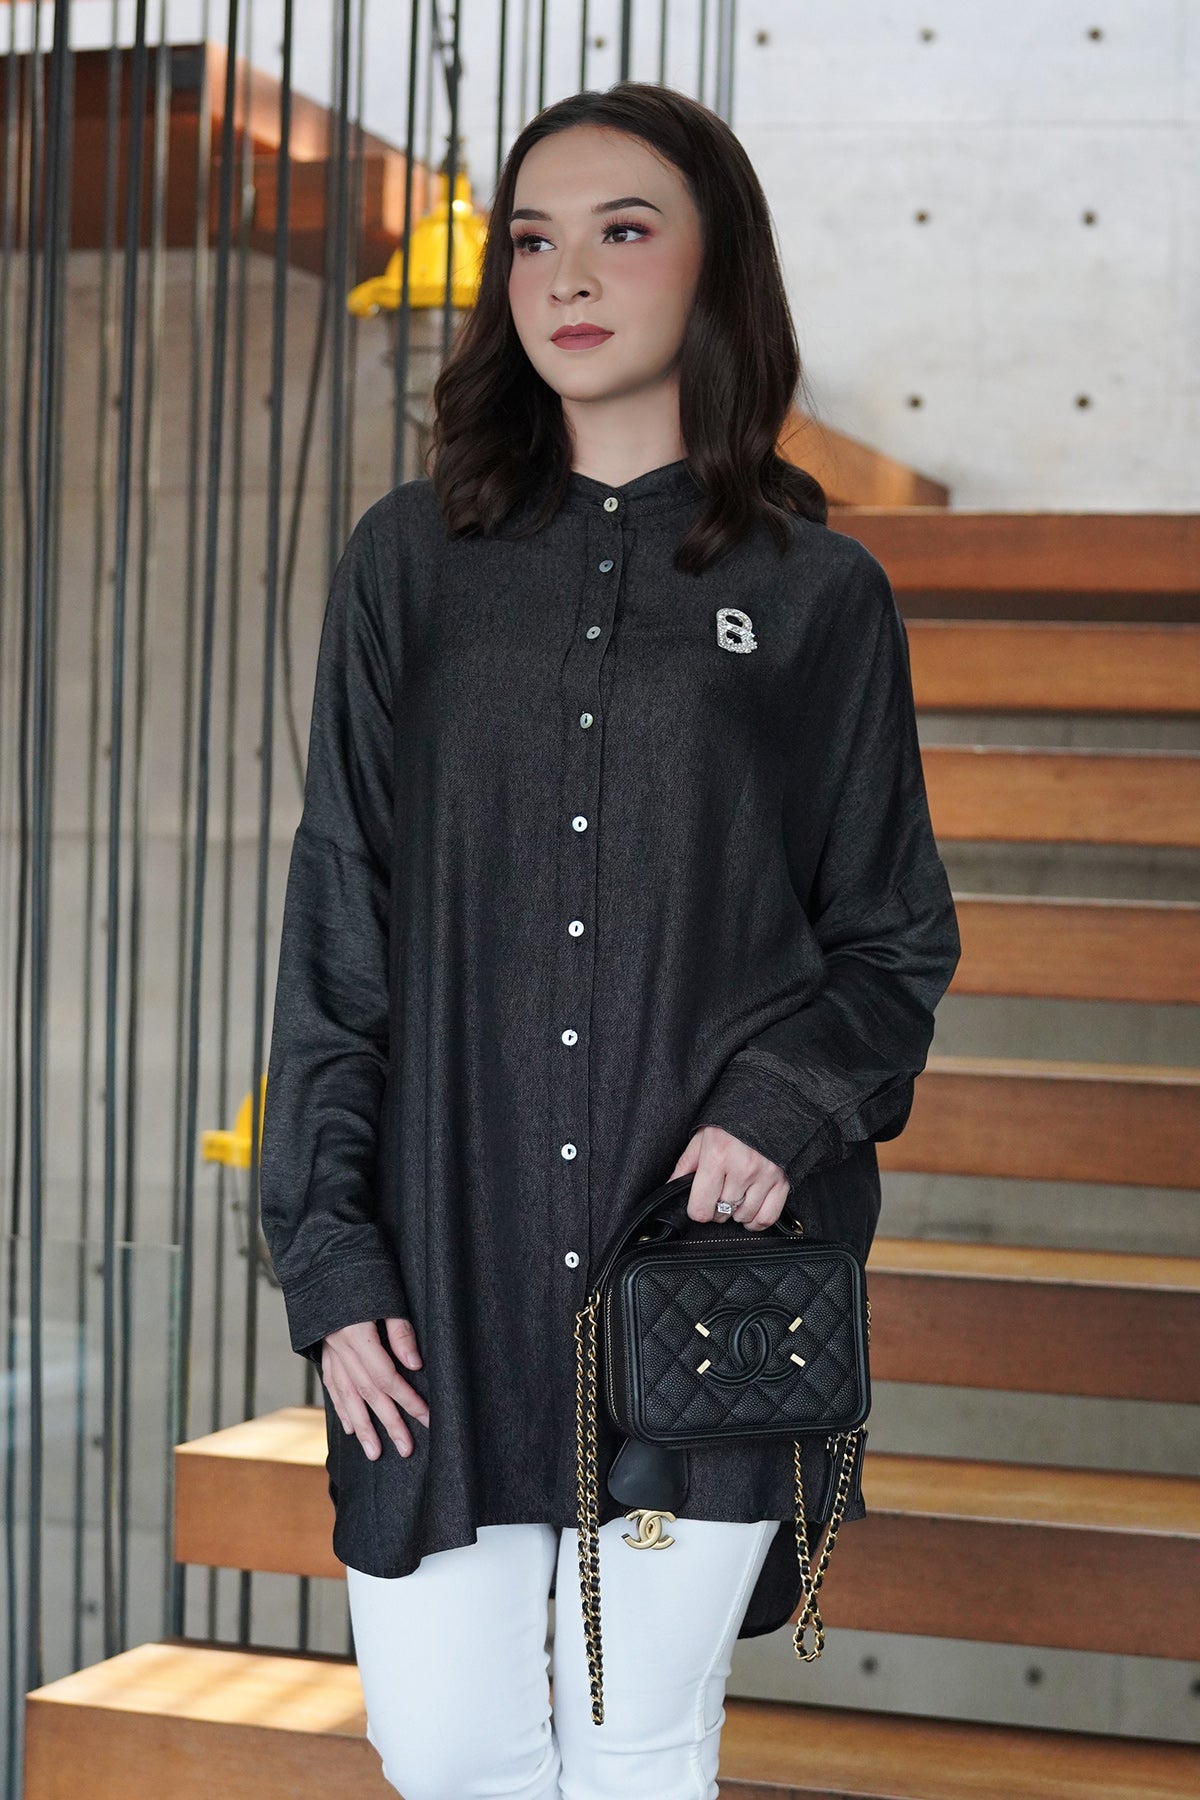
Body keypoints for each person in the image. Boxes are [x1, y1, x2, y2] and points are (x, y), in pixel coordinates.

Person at [259, 80, 961, 1800]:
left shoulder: (817, 595)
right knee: (447, 1752)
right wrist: (332, 1261)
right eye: (531, 239)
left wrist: (784, 1109)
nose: (565, 276)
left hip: (703, 1273)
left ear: (716, 267)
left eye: (622, 230)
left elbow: (892, 938)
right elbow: (339, 930)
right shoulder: (410, 565)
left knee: (639, 1744)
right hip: (446, 1267)